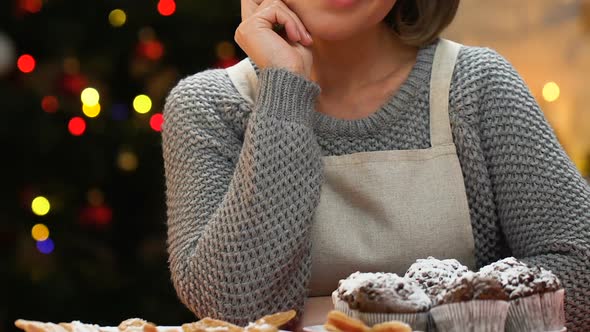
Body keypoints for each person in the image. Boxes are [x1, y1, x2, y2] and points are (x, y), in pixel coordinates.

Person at [161, 0, 590, 330]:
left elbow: (582, 266)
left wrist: (411, 317)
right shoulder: (210, 107)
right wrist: (285, 91)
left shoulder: (475, 85)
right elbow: (230, 307)